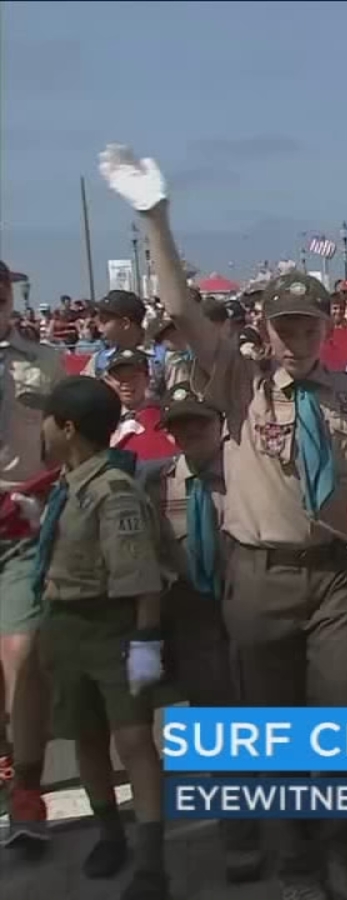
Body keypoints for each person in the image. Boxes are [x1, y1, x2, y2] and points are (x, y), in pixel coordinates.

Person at [103, 143, 347, 900]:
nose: (296, 337)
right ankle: (296, 866)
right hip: (257, 579)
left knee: (345, 728)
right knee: (280, 738)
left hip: (330, 579)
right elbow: (186, 312)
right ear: (265, 328)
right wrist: (156, 221)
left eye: (308, 324)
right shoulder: (239, 380)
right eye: (284, 325)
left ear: (327, 325)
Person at [30, 376, 169, 899]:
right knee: (85, 736)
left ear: (67, 427)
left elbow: (139, 575)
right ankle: (110, 833)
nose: (41, 428)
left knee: (133, 741)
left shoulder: (113, 492)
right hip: (66, 625)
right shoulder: (69, 483)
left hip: (111, 627)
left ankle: (152, 862)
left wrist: (146, 642)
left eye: (46, 418)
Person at [140, 382, 264, 882]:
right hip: (193, 616)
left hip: (252, 606)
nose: (191, 432)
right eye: (180, 425)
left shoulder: (249, 476)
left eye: (200, 422)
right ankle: (241, 837)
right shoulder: (156, 483)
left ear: (221, 424)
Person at [0, 258, 66, 853]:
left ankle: (27, 792)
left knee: (23, 655)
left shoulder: (43, 361)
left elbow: (61, 441)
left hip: (20, 523)